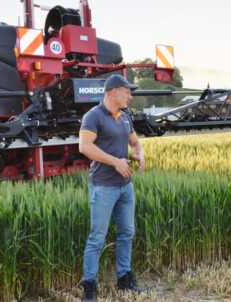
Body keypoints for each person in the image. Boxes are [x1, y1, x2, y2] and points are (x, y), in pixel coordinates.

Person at [79, 74, 145, 301]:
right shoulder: (93, 116)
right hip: (103, 187)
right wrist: (115, 162)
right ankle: (89, 287)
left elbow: (135, 142)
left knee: (127, 232)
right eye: (127, 91)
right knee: (97, 237)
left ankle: (124, 278)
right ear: (114, 91)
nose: (130, 96)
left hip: (126, 187)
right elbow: (85, 147)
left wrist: (139, 153)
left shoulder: (125, 117)